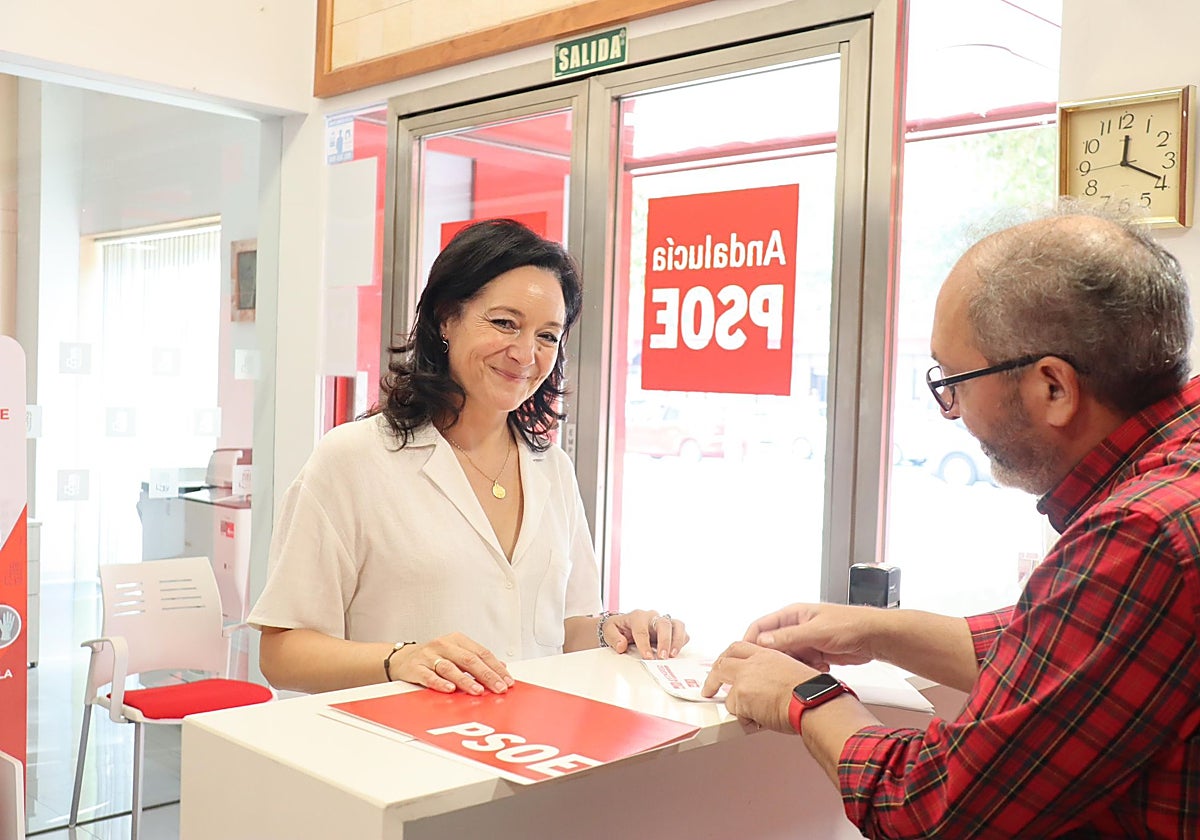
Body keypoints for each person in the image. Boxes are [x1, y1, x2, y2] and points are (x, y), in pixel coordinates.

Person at [702, 207, 1200, 838]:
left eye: (956, 381)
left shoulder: (1144, 533)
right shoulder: (1178, 475)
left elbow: (938, 807)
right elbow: (1078, 654)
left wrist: (805, 698)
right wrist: (875, 630)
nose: (951, 410)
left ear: (1053, 387)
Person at [250, 219, 687, 696]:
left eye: (547, 336)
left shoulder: (552, 469)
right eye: (505, 323)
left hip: (531, 735)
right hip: (396, 737)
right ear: (446, 318)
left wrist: (613, 631)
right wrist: (400, 658)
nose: (525, 353)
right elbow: (282, 652)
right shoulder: (353, 459)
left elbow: (563, 628)